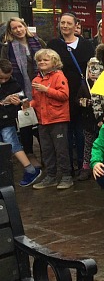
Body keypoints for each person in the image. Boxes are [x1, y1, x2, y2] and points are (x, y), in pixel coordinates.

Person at [47, 12, 95, 176]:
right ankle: (68, 167)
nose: (65, 26)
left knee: (81, 131)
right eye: (62, 23)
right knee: (65, 132)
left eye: (68, 23)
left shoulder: (86, 45)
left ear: (76, 25)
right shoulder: (53, 44)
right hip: (60, 93)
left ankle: (83, 165)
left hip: (81, 94)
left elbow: (92, 67)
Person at [28, 49, 72, 190]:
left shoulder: (59, 76)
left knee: (61, 150)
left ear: (54, 62)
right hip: (43, 121)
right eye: (39, 60)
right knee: (46, 150)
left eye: (45, 60)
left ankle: (66, 176)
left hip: (58, 119)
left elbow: (64, 95)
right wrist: (27, 106)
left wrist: (46, 90)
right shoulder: (36, 80)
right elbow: (36, 99)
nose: (42, 62)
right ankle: (51, 177)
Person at [1, 17, 45, 159]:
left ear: (25, 27)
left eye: (20, 26)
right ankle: (29, 153)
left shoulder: (38, 42)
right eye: (14, 28)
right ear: (11, 31)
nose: (18, 30)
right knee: (25, 120)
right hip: (19, 88)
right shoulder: (7, 47)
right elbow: (4, 67)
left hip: (40, 86)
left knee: (41, 121)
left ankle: (45, 153)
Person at [0, 59, 42, 186]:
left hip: (7, 119)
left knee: (12, 142)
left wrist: (19, 102)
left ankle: (30, 169)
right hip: (4, 116)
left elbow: (24, 101)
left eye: (6, 78)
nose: (3, 81)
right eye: (1, 78)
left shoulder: (14, 84)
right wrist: (3, 101)